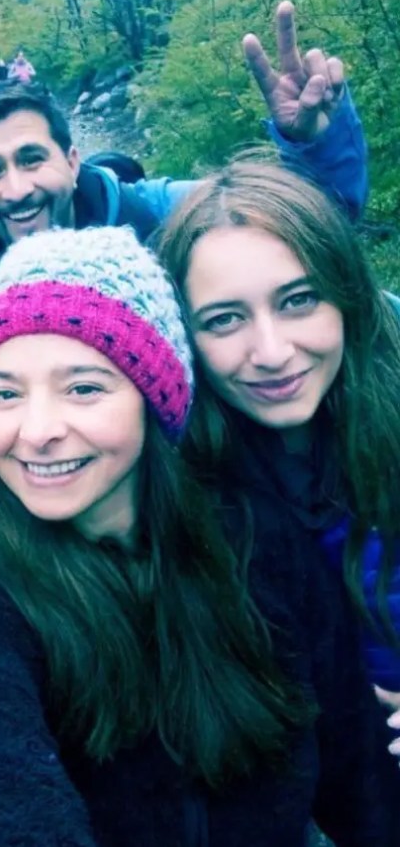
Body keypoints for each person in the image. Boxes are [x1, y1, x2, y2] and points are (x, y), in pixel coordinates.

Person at [0, 226, 400, 847]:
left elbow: (360, 774)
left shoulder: (255, 542)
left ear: (154, 398)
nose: (37, 430)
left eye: (83, 388)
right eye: (5, 394)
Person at [157, 158, 400, 713]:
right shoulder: (173, 489)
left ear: (347, 296)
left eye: (298, 300)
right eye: (224, 319)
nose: (271, 352)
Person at [0, 2, 368, 304]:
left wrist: (316, 145)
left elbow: (311, 222)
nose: (17, 189)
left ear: (72, 161)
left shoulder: (160, 217)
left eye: (32, 159)